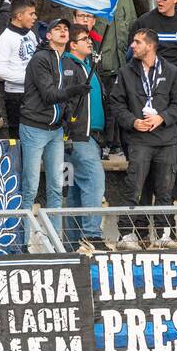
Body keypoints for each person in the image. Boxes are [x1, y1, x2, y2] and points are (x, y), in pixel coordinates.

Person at [111, 29, 177, 247]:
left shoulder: (172, 72)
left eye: (137, 42)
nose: (132, 46)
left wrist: (162, 118)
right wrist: (133, 121)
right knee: (133, 188)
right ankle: (126, 234)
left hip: (166, 139)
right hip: (138, 139)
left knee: (165, 189)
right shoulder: (125, 72)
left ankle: (165, 234)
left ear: (151, 46)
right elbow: (116, 104)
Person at [19, 18, 90, 239]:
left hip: (56, 130)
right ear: (47, 35)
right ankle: (22, 242)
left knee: (56, 188)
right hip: (34, 128)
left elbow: (64, 98)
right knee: (30, 188)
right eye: (56, 28)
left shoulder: (65, 61)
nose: (62, 31)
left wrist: (68, 118)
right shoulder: (40, 59)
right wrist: (76, 89)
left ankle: (55, 238)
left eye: (65, 29)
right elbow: (49, 95)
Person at [60, 25, 107, 251]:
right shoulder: (69, 65)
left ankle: (73, 240)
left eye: (90, 38)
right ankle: (91, 235)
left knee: (78, 190)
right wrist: (70, 127)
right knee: (95, 183)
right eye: (84, 39)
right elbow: (65, 100)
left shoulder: (88, 65)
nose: (89, 42)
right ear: (73, 45)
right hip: (79, 136)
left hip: (93, 136)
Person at [0, 0, 39, 133]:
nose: (35, 17)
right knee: (18, 136)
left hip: (34, 92)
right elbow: (1, 71)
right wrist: (29, 80)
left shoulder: (31, 34)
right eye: (31, 14)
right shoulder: (5, 38)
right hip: (16, 95)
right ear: (19, 16)